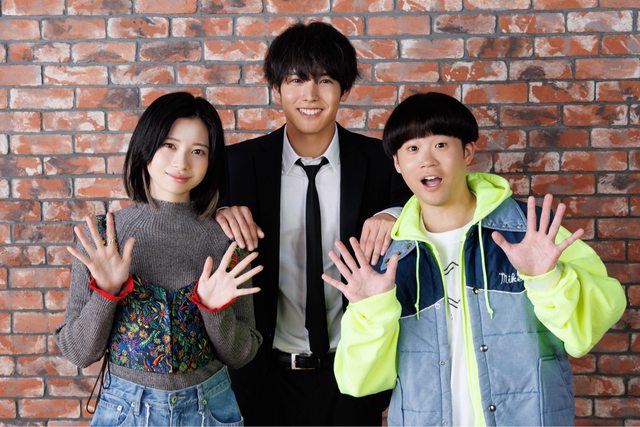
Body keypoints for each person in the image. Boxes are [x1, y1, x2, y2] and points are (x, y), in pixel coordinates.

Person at [324, 92, 627, 426]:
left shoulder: (530, 230)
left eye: (440, 145)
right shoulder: (389, 259)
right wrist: (372, 310)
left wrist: (548, 279)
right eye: (412, 149)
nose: (427, 161)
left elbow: (586, 332)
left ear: (467, 152)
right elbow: (359, 381)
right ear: (397, 164)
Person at [215, 22, 411, 426]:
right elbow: (187, 219)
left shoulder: (380, 162)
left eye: (325, 80)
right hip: (264, 377)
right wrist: (218, 213)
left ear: (344, 89)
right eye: (296, 80)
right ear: (277, 88)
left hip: (353, 375)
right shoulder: (238, 166)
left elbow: (427, 201)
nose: (311, 95)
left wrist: (393, 214)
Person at [55, 92, 263, 426]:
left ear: (210, 161)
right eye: (169, 145)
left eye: (198, 151)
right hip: (125, 411)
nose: (182, 162)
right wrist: (107, 292)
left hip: (209, 410)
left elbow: (242, 355)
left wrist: (216, 311)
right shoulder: (103, 237)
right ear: (146, 146)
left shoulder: (227, 241)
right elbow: (79, 353)